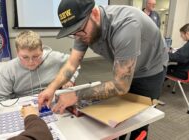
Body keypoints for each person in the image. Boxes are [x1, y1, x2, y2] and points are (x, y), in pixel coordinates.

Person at [38, 0, 168, 140]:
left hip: (150, 70)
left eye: (79, 30)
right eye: (73, 33)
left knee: (140, 121)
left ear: (94, 13)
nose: (78, 37)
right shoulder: (82, 29)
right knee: (119, 116)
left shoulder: (126, 26)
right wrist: (51, 88)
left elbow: (120, 86)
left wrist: (76, 95)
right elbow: (71, 64)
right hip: (124, 68)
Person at [0, 31, 79, 102]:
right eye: (25, 57)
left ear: (42, 50)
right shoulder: (9, 69)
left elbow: (75, 64)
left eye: (35, 56)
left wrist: (70, 79)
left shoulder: (54, 58)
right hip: (23, 104)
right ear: (17, 52)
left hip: (52, 100)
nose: (31, 62)